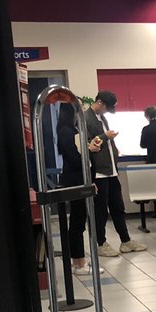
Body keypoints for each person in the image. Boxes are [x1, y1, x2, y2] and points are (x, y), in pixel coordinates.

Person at [84, 91, 147, 258]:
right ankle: (100, 243)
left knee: (118, 207)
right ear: (99, 103)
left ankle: (125, 241)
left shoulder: (102, 118)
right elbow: (87, 144)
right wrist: (105, 136)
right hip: (99, 172)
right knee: (100, 211)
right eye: (107, 107)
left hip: (111, 171)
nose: (107, 111)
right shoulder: (86, 118)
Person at [55, 103, 103, 276]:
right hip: (76, 181)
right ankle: (78, 261)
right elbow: (75, 158)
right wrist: (89, 149)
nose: (81, 112)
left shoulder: (72, 130)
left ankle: (78, 260)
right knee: (77, 221)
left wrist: (90, 148)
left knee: (79, 220)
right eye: (79, 108)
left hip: (81, 179)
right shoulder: (66, 132)